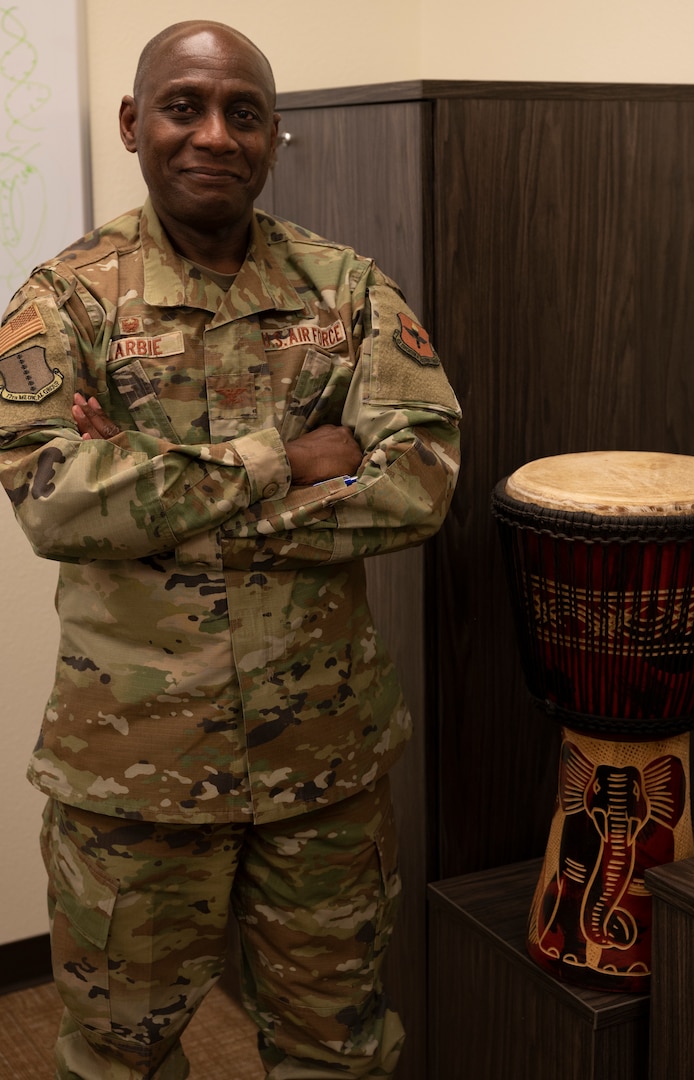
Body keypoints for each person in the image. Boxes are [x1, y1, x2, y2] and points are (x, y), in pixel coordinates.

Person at [0, 20, 460, 1080]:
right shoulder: (65, 299)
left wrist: (156, 492)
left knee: (337, 1050)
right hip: (131, 780)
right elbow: (53, 501)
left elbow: (417, 481)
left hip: (325, 770)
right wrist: (280, 462)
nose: (213, 134)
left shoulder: (345, 290)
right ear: (133, 123)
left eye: (242, 113)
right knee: (121, 1059)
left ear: (273, 135)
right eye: (183, 106)